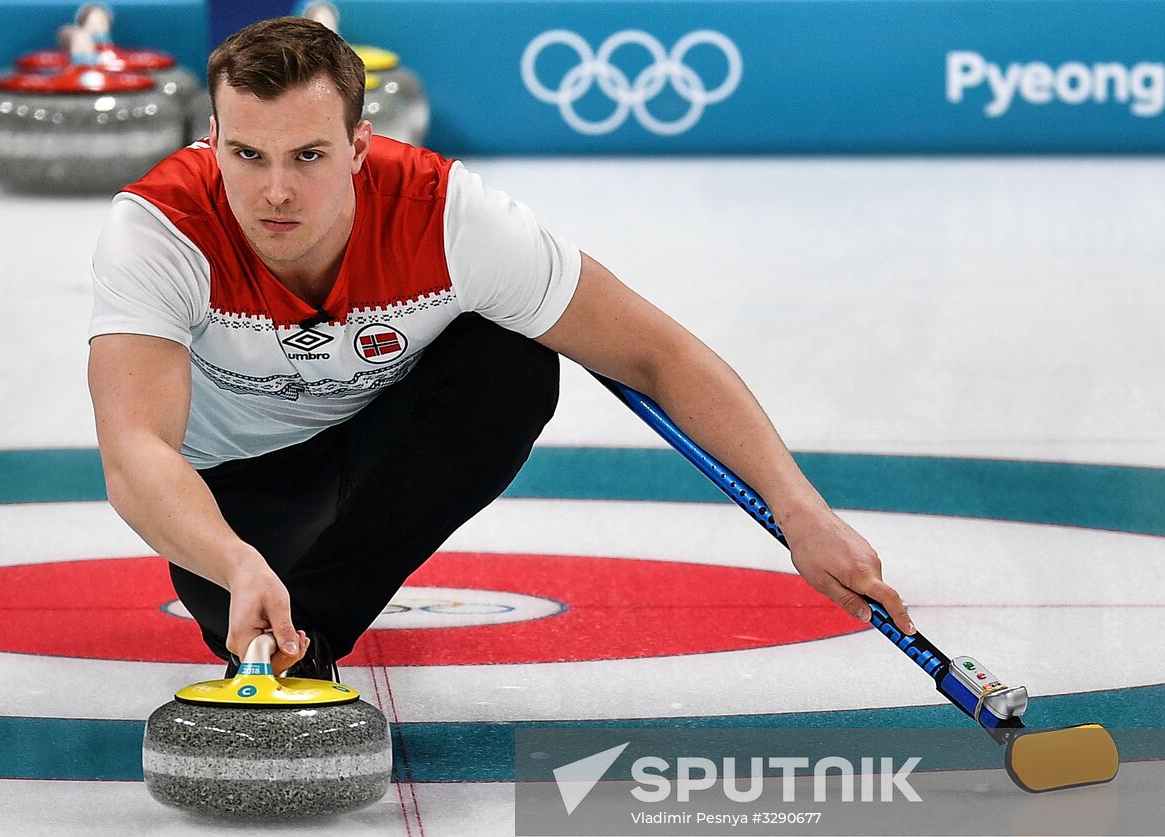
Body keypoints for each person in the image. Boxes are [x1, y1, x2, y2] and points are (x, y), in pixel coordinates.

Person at [86, 16, 917, 681]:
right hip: (233, 496)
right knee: (229, 586)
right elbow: (136, 451)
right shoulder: (160, 228)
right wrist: (233, 562)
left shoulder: (447, 216)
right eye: (246, 155)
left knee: (514, 359)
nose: (275, 190)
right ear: (212, 139)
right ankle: (279, 595)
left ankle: (317, 635)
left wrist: (803, 514)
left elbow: (658, 354)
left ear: (360, 147)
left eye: (309, 156)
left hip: (383, 459)